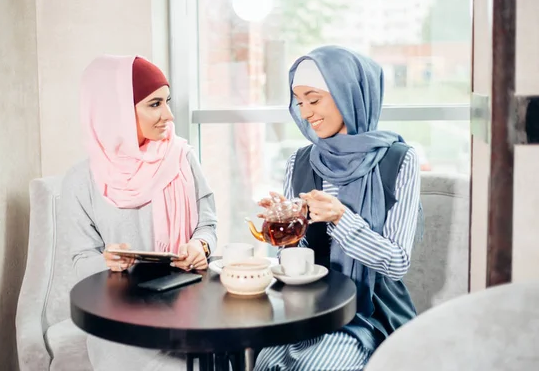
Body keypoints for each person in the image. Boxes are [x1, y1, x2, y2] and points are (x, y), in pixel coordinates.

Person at [255, 46, 422, 371]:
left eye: (313, 99)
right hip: (306, 310)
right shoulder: (299, 162)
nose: (305, 113)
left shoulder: (399, 159)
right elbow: (292, 263)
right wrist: (287, 228)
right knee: (265, 362)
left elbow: (397, 264)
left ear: (348, 93)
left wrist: (341, 219)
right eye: (299, 101)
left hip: (367, 315)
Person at [62, 55, 217, 370]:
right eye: (155, 104)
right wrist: (108, 260)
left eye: (167, 102)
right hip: (121, 329)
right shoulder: (80, 182)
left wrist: (200, 246)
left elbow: (208, 226)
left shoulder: (182, 159)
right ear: (117, 110)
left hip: (191, 317)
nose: (169, 115)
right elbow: (79, 262)